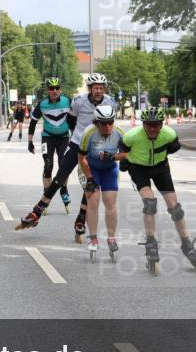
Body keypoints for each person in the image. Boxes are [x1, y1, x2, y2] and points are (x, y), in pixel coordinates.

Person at [16, 72, 115, 241]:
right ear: (90, 88)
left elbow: (110, 124)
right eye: (94, 87)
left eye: (101, 87)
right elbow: (70, 120)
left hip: (95, 148)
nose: (98, 91)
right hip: (77, 143)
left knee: (91, 182)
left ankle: (81, 219)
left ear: (104, 89)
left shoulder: (110, 102)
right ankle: (37, 212)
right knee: (60, 176)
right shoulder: (78, 101)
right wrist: (80, 134)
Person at [119, 106, 196, 275]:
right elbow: (122, 151)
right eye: (148, 125)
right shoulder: (131, 136)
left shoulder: (169, 135)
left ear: (162, 124)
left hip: (160, 168)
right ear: (143, 124)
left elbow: (174, 147)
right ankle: (151, 243)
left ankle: (187, 244)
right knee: (150, 203)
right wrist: (124, 163)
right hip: (138, 169)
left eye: (156, 125)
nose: (152, 129)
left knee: (176, 209)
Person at [78, 104, 124, 261]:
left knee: (110, 202)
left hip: (109, 169)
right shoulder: (88, 133)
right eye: (103, 123)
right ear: (96, 123)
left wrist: (113, 157)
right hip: (90, 169)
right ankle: (93, 238)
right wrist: (90, 177)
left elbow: (127, 153)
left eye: (110, 121)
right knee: (93, 201)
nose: (108, 126)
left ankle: (111, 238)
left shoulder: (119, 133)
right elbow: (82, 158)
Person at [27, 77, 73, 213]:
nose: (54, 91)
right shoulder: (42, 104)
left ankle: (64, 190)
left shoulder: (67, 101)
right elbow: (33, 123)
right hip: (48, 138)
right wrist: (29, 142)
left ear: (60, 89)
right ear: (47, 90)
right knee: (48, 166)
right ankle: (46, 193)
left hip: (64, 137)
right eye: (51, 88)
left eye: (57, 88)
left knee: (63, 165)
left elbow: (75, 118)